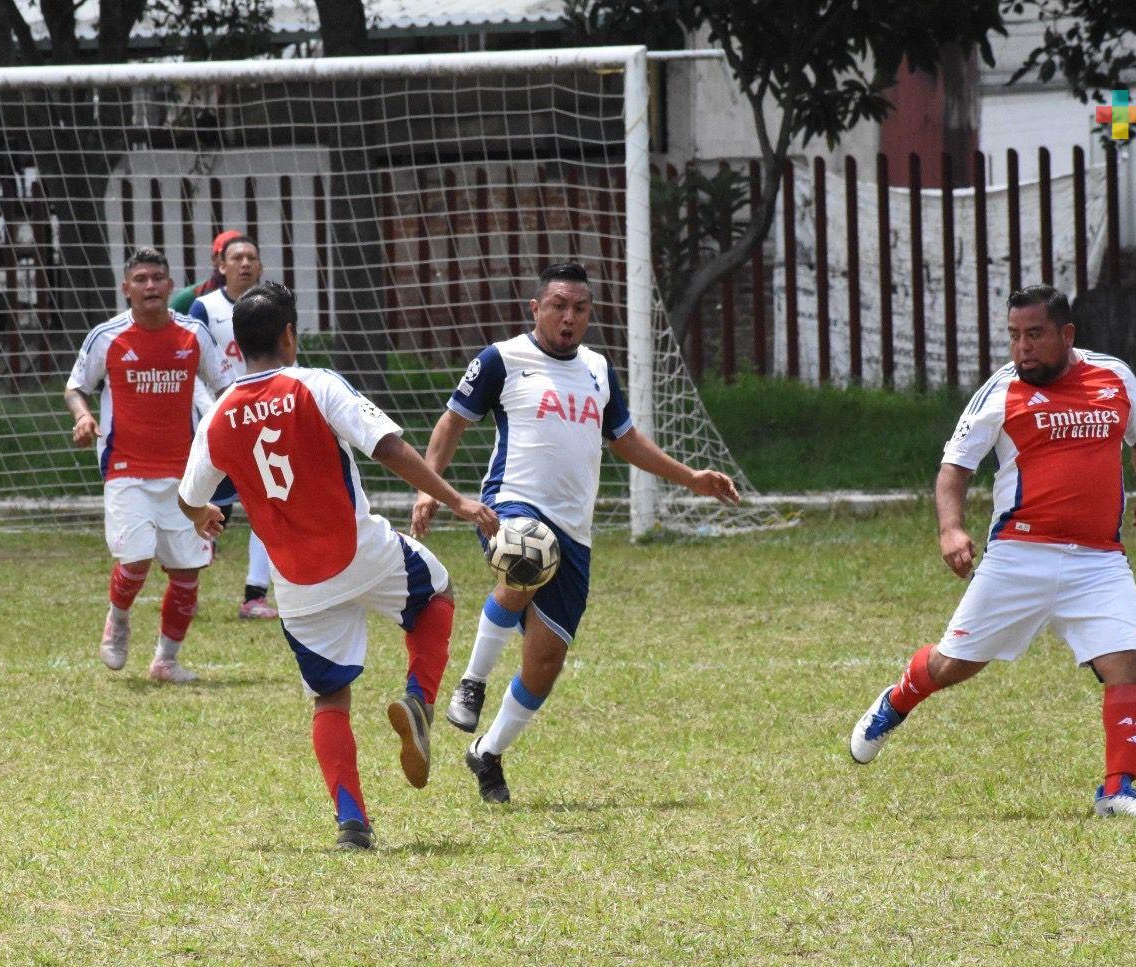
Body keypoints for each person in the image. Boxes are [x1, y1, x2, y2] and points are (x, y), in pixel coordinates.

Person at [177, 280, 498, 850]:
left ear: (237, 347)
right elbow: (388, 447)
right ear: (289, 336)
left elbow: (188, 495)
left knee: (330, 700)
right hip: (361, 553)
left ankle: (352, 823)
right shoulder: (316, 385)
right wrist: (456, 501)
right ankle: (419, 699)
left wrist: (203, 514)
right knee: (438, 594)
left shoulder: (219, 416)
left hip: (297, 583)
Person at [409, 261, 740, 804]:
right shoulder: (503, 358)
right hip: (509, 504)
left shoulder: (596, 369)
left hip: (576, 531)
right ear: (535, 308)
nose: (569, 317)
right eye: (558, 306)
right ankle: (472, 682)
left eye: (580, 308)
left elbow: (627, 440)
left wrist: (691, 477)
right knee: (526, 556)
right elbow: (452, 422)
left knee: (545, 663)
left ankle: (486, 753)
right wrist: (430, 487)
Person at [848, 285, 1136, 817]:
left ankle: (1116, 791)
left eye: (1035, 335)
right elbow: (954, 470)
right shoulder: (1001, 392)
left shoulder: (1115, 377)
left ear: (1067, 335)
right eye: (1015, 335)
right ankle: (897, 699)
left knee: (1126, 664)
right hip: (1020, 555)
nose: (1022, 347)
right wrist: (950, 529)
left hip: (1099, 558)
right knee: (953, 666)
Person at [64, 247, 235, 683]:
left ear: (170, 286)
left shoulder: (193, 334)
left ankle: (165, 661)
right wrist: (83, 416)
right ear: (127, 289)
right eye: (141, 279)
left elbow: (226, 386)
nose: (151, 286)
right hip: (127, 468)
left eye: (158, 278)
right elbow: (75, 387)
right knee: (136, 558)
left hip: (184, 473)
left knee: (187, 570)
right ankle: (117, 619)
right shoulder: (108, 336)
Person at [188, 233, 278, 620]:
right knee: (207, 506)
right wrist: (214, 411)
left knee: (268, 504)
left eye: (251, 257)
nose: (245, 263)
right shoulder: (204, 308)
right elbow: (188, 367)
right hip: (219, 425)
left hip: (265, 425)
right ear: (221, 266)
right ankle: (185, 586)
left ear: (260, 266)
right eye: (236, 257)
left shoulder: (274, 305)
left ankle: (254, 595)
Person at [170, 229, 242, 315]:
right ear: (214, 259)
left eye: (248, 257)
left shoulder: (259, 298)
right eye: (227, 254)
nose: (242, 262)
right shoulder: (191, 297)